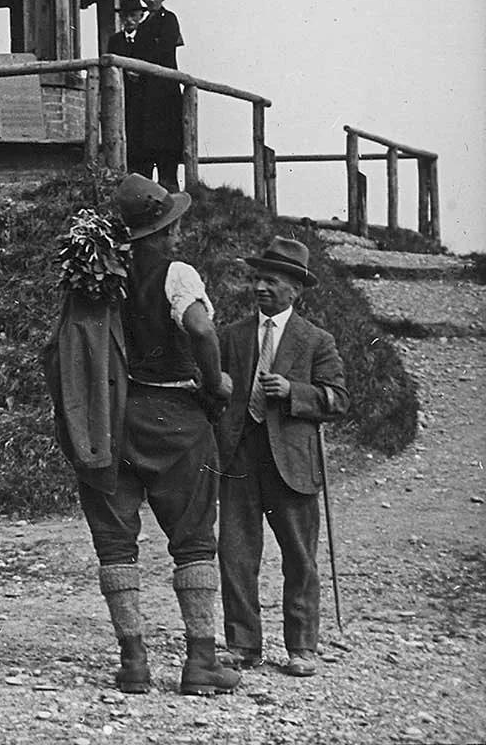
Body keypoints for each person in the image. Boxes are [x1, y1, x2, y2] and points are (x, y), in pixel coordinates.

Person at [76, 175, 239, 696]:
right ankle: (200, 661)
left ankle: (134, 662)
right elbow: (202, 330)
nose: (175, 238)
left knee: (116, 541)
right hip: (175, 419)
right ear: (162, 230)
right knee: (192, 538)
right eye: (172, 228)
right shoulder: (177, 273)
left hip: (113, 416)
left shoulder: (98, 274)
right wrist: (215, 384)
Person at [215, 237, 349, 678]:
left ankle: (302, 647)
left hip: (292, 464)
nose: (260, 287)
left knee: (299, 556)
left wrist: (297, 394)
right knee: (236, 554)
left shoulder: (316, 340)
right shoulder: (231, 336)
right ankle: (243, 646)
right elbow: (213, 390)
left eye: (271, 280)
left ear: (295, 289)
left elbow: (339, 399)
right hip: (239, 458)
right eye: (257, 278)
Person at [107, 0, 185, 192]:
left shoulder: (168, 19)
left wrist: (141, 68)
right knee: (144, 140)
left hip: (162, 85)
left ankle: (169, 189)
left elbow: (165, 48)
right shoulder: (141, 29)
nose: (151, 0)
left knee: (165, 137)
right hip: (144, 90)